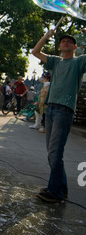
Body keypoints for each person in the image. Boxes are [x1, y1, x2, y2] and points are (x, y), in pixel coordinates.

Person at [32, 31, 86, 203]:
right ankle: (60, 187)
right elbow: (35, 52)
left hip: (64, 110)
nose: (65, 42)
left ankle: (55, 192)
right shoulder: (55, 62)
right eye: (63, 41)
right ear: (59, 45)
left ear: (75, 46)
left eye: (69, 41)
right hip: (51, 108)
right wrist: (46, 36)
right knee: (52, 152)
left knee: (55, 152)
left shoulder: (78, 62)